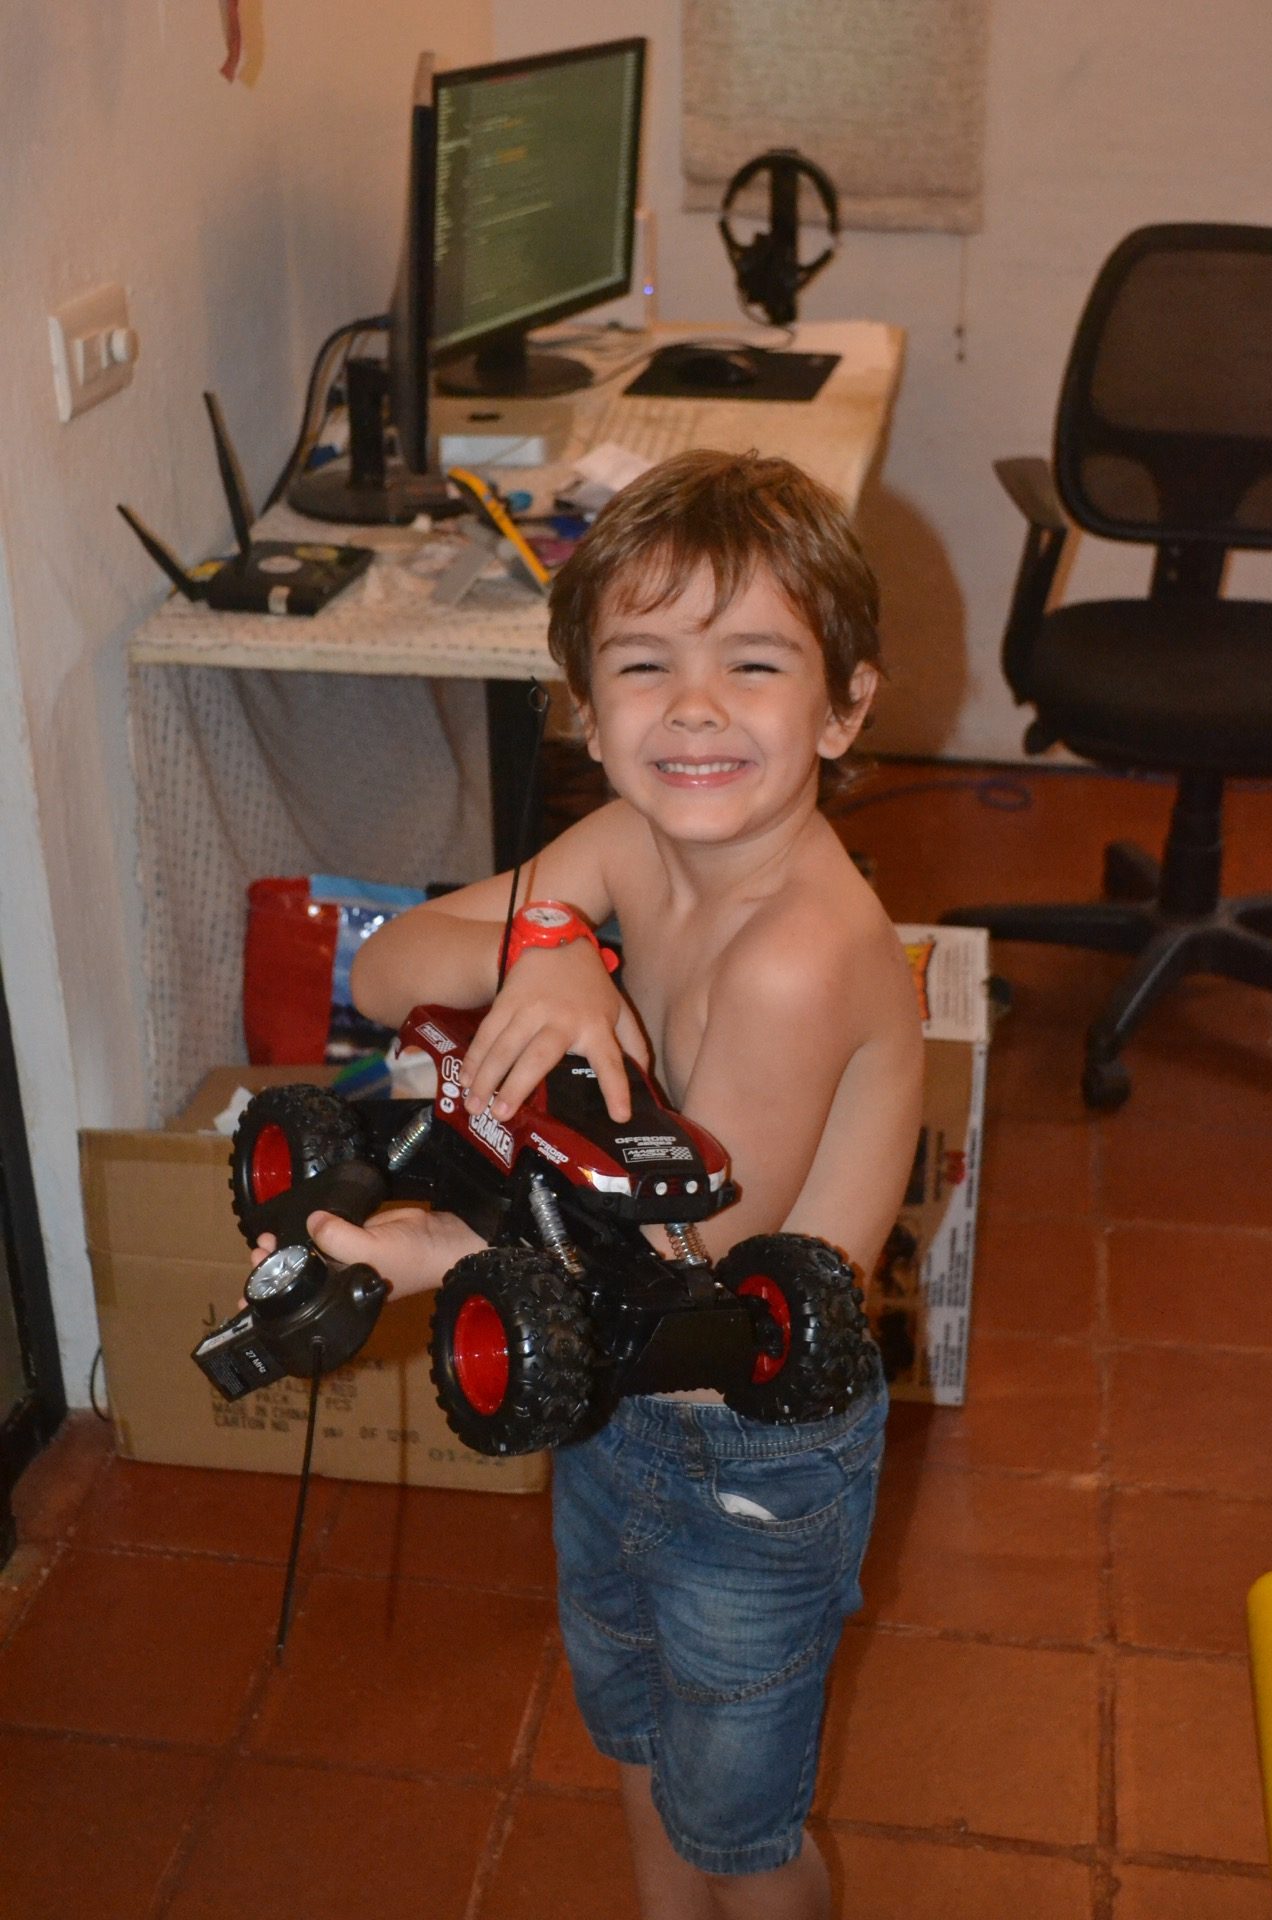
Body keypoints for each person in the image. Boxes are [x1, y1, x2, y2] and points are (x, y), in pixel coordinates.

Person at [298, 449, 924, 1918]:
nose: (694, 707)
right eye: (644, 665)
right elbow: (382, 974)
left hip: (754, 1465)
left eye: (753, 663)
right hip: (618, 1418)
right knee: (635, 1741)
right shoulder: (630, 843)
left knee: (741, 1829)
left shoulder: (800, 956)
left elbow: (679, 1264)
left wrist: (443, 1250)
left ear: (845, 707)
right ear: (585, 704)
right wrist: (550, 949)